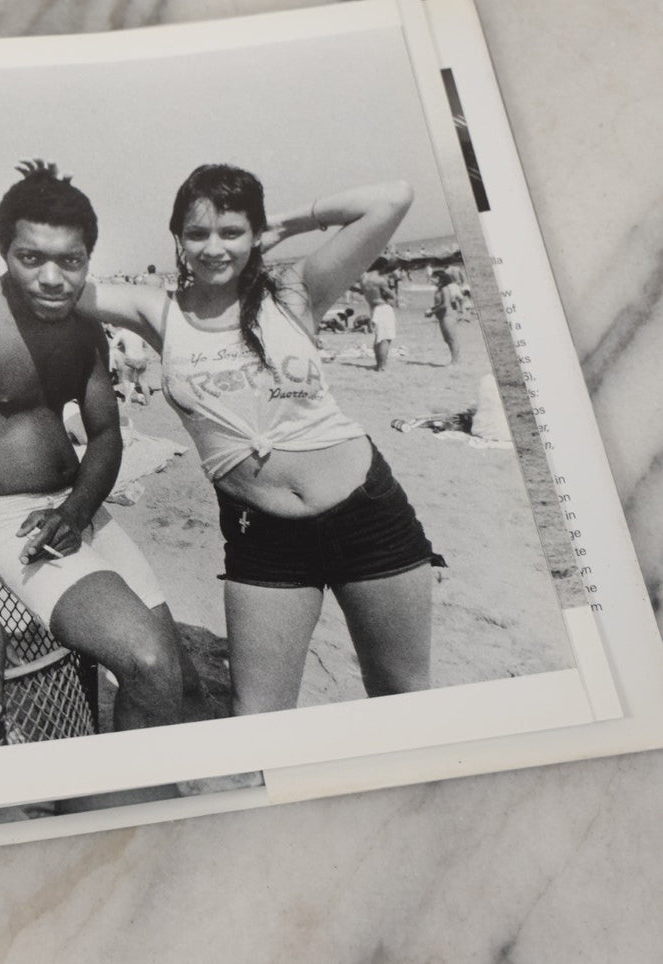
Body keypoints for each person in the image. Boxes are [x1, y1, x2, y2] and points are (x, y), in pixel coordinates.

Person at [82, 163, 440, 715]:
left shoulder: (295, 292)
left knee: (403, 698)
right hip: (263, 538)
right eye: (197, 233)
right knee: (261, 719)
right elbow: (54, 288)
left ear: (254, 234)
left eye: (232, 232)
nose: (213, 248)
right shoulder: (159, 313)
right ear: (177, 238)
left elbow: (394, 197)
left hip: (367, 514)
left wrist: (286, 224)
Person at [0, 160, 191, 730]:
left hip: (77, 508)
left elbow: (107, 435)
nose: (51, 278)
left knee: (180, 686)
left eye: (70, 261)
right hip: (8, 518)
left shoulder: (85, 325)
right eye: (30, 257)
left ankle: (134, 794)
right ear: (4, 253)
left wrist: (78, 509)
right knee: (149, 659)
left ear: (88, 258)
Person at [361, 259, 398, 371]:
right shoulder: (380, 280)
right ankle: (382, 365)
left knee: (378, 337)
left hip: (373, 308)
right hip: (383, 307)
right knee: (386, 338)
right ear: (382, 267)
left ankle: (378, 364)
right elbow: (392, 296)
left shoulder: (363, 278)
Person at [425, 269, 462, 365]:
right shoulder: (439, 289)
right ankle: (454, 360)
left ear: (439, 279)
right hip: (443, 317)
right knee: (447, 339)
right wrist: (432, 309)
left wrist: (432, 312)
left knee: (451, 339)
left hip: (448, 316)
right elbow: (440, 304)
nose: (431, 279)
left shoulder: (445, 289)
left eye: (433, 277)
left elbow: (445, 305)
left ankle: (455, 362)